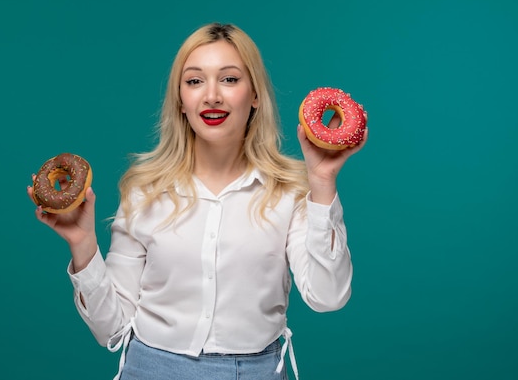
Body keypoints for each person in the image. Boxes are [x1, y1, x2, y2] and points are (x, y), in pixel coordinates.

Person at [27, 22, 367, 380]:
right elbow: (111, 328)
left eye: (230, 79)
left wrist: (322, 183)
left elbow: (328, 297)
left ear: (255, 95)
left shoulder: (293, 192)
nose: (211, 96)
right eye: (194, 81)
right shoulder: (144, 190)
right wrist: (83, 244)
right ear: (180, 99)